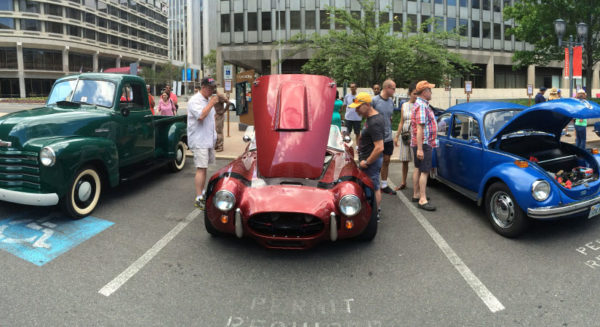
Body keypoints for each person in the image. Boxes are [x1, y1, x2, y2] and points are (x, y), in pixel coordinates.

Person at [350, 92, 384, 217]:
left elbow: (380, 147)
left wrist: (367, 162)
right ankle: (372, 211)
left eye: (358, 107)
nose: (357, 110)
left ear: (367, 105)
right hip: (369, 160)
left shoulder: (374, 121)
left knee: (374, 187)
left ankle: (375, 215)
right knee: (370, 186)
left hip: (371, 162)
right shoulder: (371, 118)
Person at [188, 77, 219, 209]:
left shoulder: (207, 100)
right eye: (210, 88)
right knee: (201, 168)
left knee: (204, 167)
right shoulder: (195, 100)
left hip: (207, 139)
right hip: (199, 140)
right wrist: (212, 103)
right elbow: (201, 116)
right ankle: (199, 197)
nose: (212, 90)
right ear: (204, 87)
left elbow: (213, 118)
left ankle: (202, 192)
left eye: (213, 88)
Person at [411, 80, 438, 211]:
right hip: (425, 143)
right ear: (424, 92)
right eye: (429, 90)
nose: (431, 92)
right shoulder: (422, 106)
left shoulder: (419, 104)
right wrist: (420, 149)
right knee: (425, 171)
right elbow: (420, 128)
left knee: (417, 168)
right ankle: (422, 199)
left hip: (420, 143)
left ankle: (416, 194)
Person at [371, 79, 397, 195]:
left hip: (388, 137)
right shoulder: (374, 101)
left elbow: (389, 116)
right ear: (387, 88)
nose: (394, 91)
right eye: (393, 89)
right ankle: (372, 185)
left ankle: (384, 185)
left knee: (386, 161)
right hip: (376, 137)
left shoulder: (391, 101)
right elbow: (369, 118)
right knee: (375, 162)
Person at [394, 82, 417, 191]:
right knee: (404, 160)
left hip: (416, 134)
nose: (415, 96)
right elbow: (401, 122)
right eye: (414, 93)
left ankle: (417, 186)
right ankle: (403, 182)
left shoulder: (419, 105)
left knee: (417, 162)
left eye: (417, 94)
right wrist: (397, 136)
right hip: (405, 135)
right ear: (409, 93)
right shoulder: (404, 105)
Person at [213, 88, 230, 152]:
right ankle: (216, 145)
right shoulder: (213, 95)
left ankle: (220, 147)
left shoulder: (219, 95)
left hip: (219, 115)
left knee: (219, 131)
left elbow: (228, 102)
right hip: (215, 115)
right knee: (215, 131)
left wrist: (223, 111)